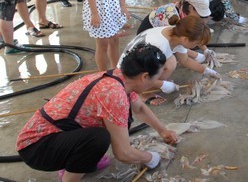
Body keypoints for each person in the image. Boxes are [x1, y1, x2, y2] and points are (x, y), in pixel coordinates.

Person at [17, 44, 179, 182]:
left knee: (107, 132)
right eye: (157, 77)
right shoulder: (114, 94)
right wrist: (150, 158)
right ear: (144, 77)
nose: (156, 82)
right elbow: (122, 153)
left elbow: (140, 108)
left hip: (53, 134)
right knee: (99, 139)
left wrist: (163, 130)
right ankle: (68, 175)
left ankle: (76, 159)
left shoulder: (119, 77)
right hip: (37, 147)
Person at [120, 16, 219, 94]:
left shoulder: (177, 33)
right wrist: (162, 84)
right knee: (168, 64)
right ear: (186, 39)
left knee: (171, 62)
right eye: (196, 43)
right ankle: (143, 94)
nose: (196, 46)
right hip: (128, 73)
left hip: (139, 61)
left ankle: (153, 84)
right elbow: (142, 76)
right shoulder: (160, 46)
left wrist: (206, 71)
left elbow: (185, 60)